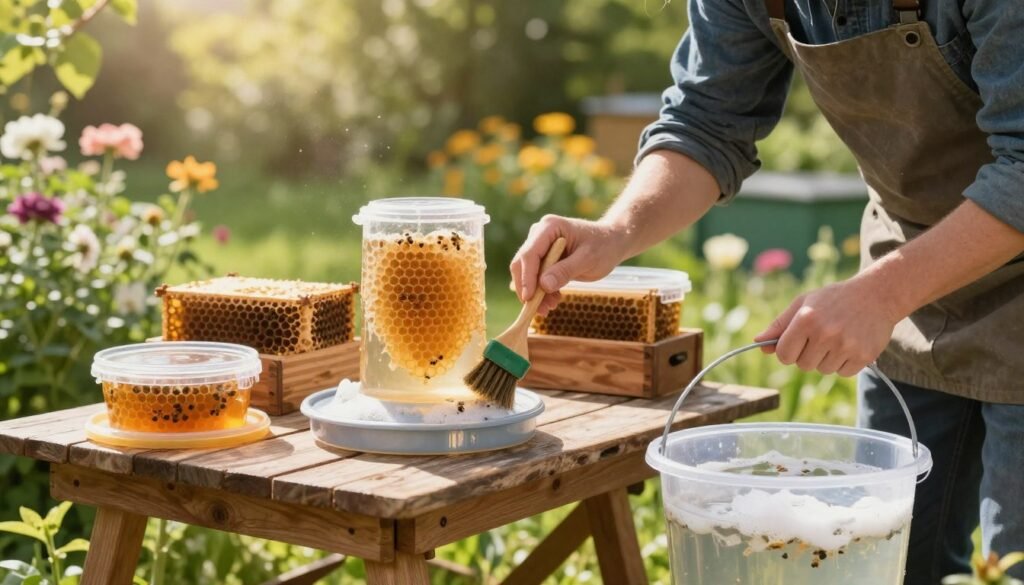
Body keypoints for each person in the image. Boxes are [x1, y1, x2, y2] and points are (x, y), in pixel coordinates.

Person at [510, 0, 1024, 582]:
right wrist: (615, 232)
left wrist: (880, 296)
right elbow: (705, 122)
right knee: (891, 564)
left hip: (924, 283)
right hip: (909, 274)